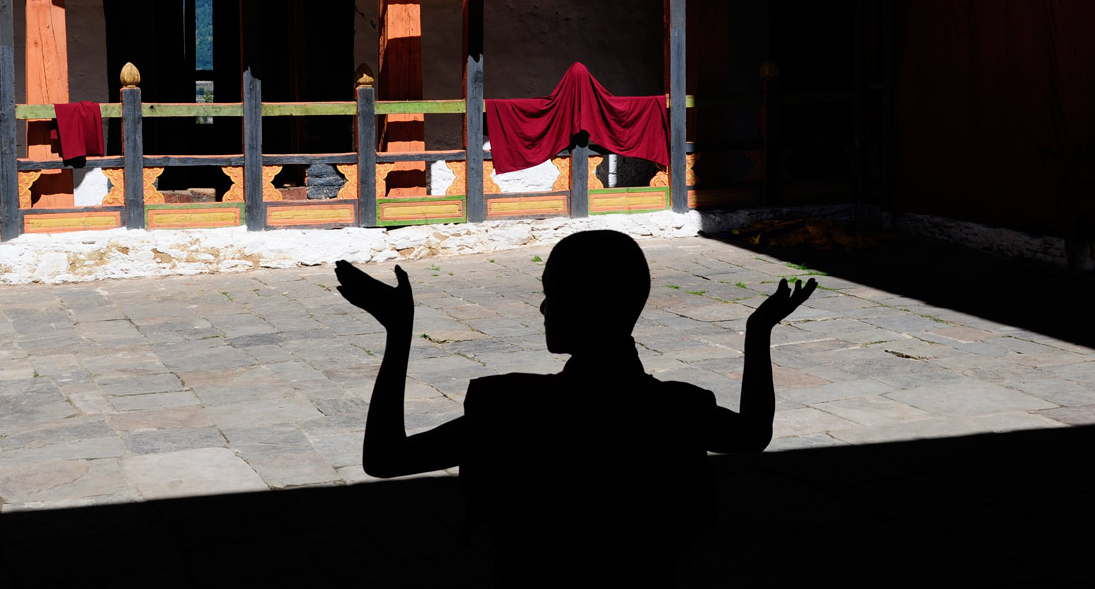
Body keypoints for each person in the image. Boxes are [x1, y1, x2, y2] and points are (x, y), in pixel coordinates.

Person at [335, 230, 815, 586]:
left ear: (587, 306)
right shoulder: (675, 408)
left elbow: (385, 458)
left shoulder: (514, 408)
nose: (543, 309)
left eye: (553, 295)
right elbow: (754, 433)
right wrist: (758, 333)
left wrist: (398, 333)